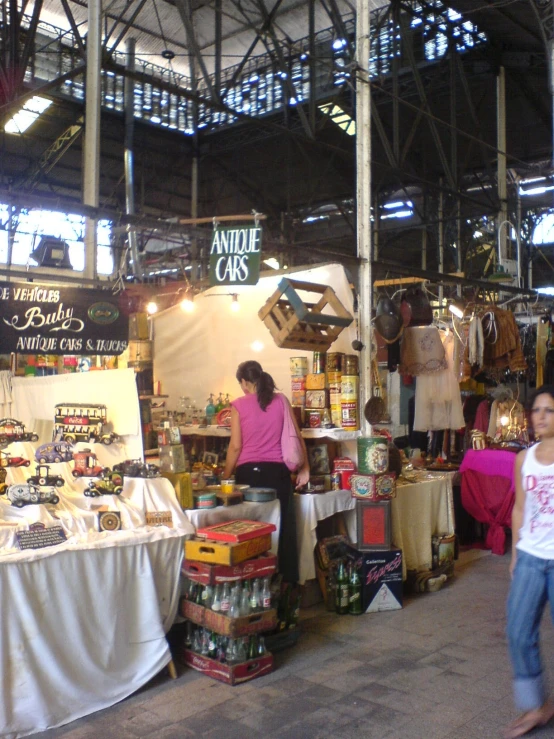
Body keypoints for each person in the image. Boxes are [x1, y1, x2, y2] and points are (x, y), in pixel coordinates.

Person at [223, 360, 309, 583]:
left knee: (251, 533)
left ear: (243, 382)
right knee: (283, 532)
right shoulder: (281, 400)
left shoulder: (238, 405)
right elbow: (296, 435)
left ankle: (254, 584)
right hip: (278, 474)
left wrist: (225, 475)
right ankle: (286, 588)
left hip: (248, 476)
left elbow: (235, 446)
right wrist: (305, 468)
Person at [505, 385, 554, 738]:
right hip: (531, 556)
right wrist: (515, 552)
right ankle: (537, 705)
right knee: (519, 632)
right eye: (536, 410)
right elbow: (520, 508)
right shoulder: (524, 459)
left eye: (548, 410)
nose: (539, 416)